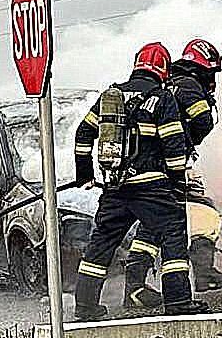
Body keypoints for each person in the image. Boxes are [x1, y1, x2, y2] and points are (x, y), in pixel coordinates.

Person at [72, 42, 207, 321]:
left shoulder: (112, 96)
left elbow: (83, 133)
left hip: (115, 188)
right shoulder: (162, 97)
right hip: (151, 187)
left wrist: (83, 173)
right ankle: (178, 300)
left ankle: (85, 306)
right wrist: (176, 181)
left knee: (101, 244)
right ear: (163, 70)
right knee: (172, 232)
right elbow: (173, 144)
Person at [124, 38, 222, 307]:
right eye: (211, 73)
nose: (212, 80)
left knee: (152, 224)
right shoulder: (189, 86)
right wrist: (186, 145)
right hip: (170, 165)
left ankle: (134, 286)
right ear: (202, 68)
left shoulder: (166, 84)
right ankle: (201, 276)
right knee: (206, 215)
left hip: (149, 166)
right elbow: (202, 121)